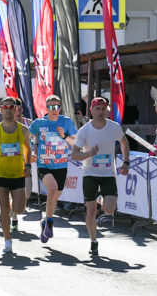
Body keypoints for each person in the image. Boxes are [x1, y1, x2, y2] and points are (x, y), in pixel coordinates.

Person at [71, 97, 131, 256]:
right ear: (91, 110)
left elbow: (124, 143)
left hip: (108, 173)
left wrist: (126, 162)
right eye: (97, 108)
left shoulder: (114, 127)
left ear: (107, 110)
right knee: (91, 211)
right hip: (89, 172)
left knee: (109, 209)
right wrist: (89, 153)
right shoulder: (84, 130)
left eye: (103, 108)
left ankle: (100, 199)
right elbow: (74, 154)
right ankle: (93, 241)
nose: (100, 111)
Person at [0, 96, 32, 253]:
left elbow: (27, 149)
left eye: (11, 107)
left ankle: (11, 213)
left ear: (15, 109)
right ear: (1, 109)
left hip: (17, 174)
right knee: (4, 209)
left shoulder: (23, 129)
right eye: (5, 107)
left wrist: (28, 164)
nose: (9, 109)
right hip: (1, 174)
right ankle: (7, 239)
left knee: (20, 208)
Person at [29, 95, 78, 242]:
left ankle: (45, 221)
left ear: (60, 108)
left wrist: (63, 136)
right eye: (51, 107)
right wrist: (32, 151)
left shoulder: (66, 122)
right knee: (52, 189)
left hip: (61, 165)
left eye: (56, 106)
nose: (54, 110)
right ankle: (50, 222)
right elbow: (29, 137)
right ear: (46, 108)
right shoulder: (39, 123)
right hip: (44, 164)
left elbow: (75, 142)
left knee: (55, 196)